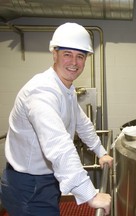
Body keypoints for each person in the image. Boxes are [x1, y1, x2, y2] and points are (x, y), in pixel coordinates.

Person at [0, 22, 113, 216]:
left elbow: (81, 122)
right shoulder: (42, 92)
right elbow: (57, 144)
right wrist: (90, 195)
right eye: (67, 54)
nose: (74, 62)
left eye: (80, 56)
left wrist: (100, 151)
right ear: (54, 54)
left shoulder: (65, 88)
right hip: (28, 185)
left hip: (45, 178)